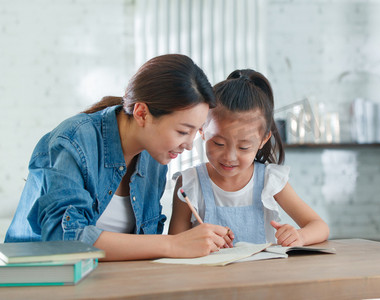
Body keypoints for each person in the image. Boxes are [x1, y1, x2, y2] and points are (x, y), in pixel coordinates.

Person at [5, 54, 230, 261]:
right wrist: (172, 244)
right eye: (182, 131)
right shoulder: (72, 141)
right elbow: (64, 240)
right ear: (142, 113)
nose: (189, 145)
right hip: (41, 282)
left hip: (116, 282)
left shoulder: (155, 156)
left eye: (196, 131)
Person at [169, 69, 329, 247]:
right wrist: (193, 241)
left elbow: (319, 226)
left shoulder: (270, 180)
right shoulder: (190, 182)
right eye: (219, 144)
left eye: (243, 147)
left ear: (263, 140)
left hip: (261, 275)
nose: (229, 157)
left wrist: (300, 236)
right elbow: (175, 245)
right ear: (202, 131)